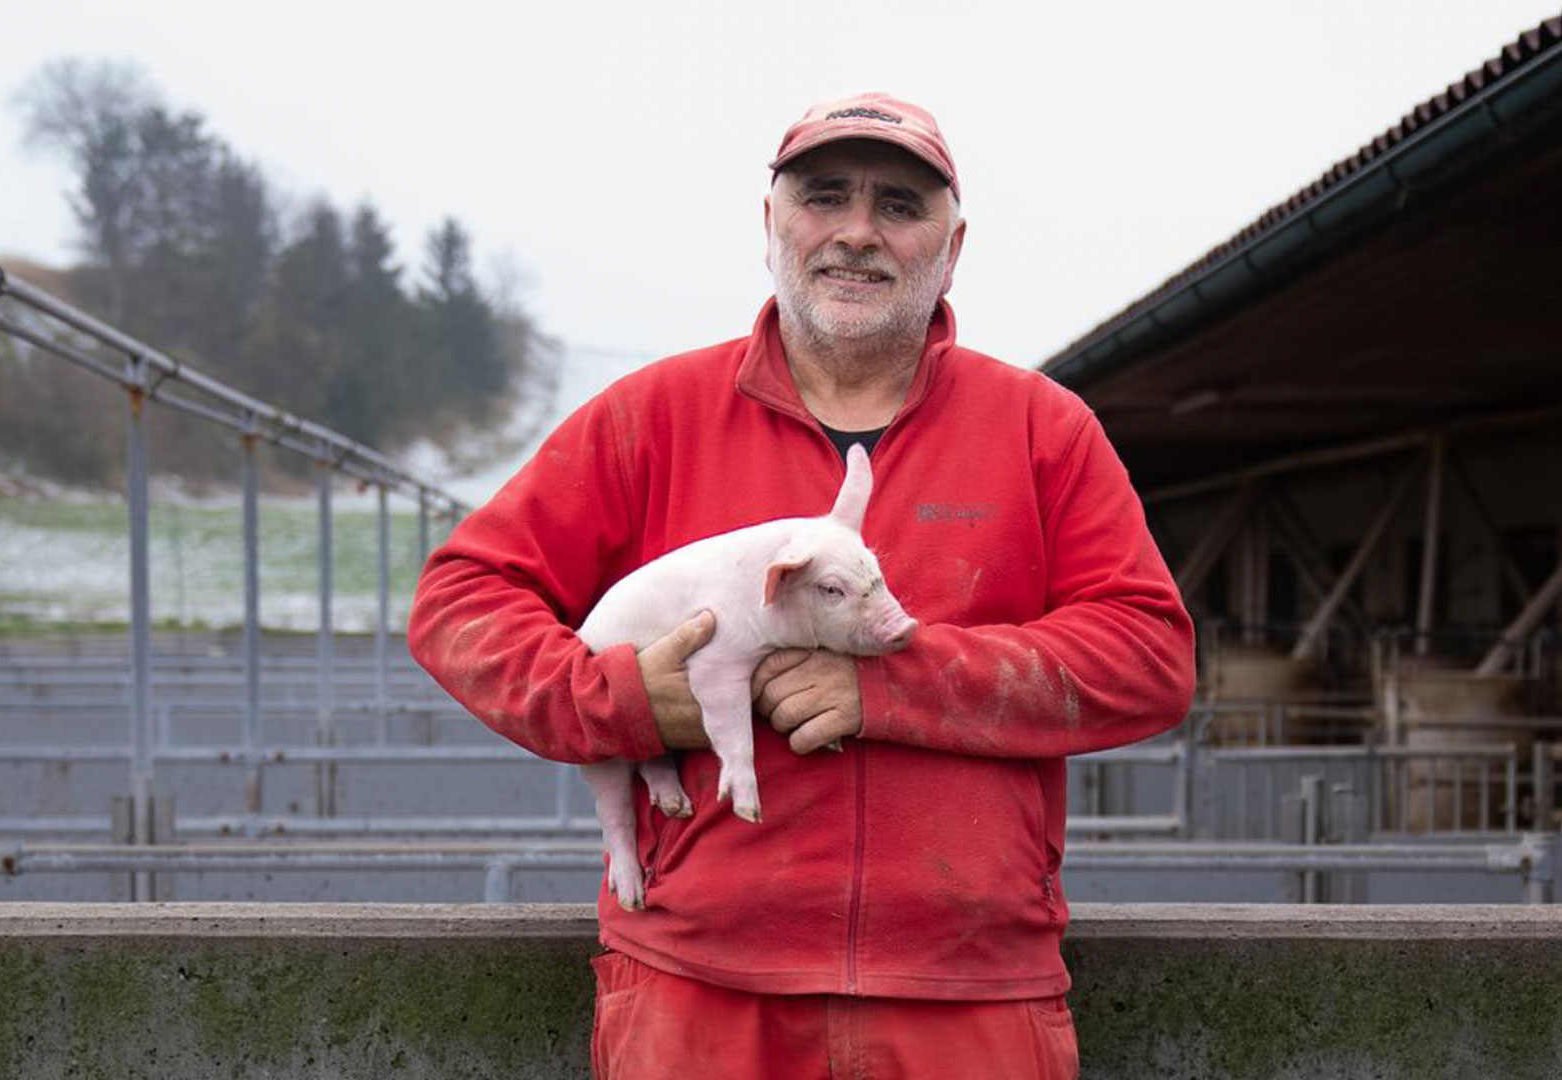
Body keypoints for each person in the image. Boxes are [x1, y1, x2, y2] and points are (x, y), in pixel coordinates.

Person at [408, 91, 1195, 1079]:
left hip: (968, 997)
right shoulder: (652, 419)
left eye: (901, 207)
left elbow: (1150, 658)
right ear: (771, 225)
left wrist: (889, 683)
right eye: (825, 197)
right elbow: (459, 601)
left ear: (951, 250)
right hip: (701, 989)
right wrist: (615, 701)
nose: (858, 233)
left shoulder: (1041, 430)